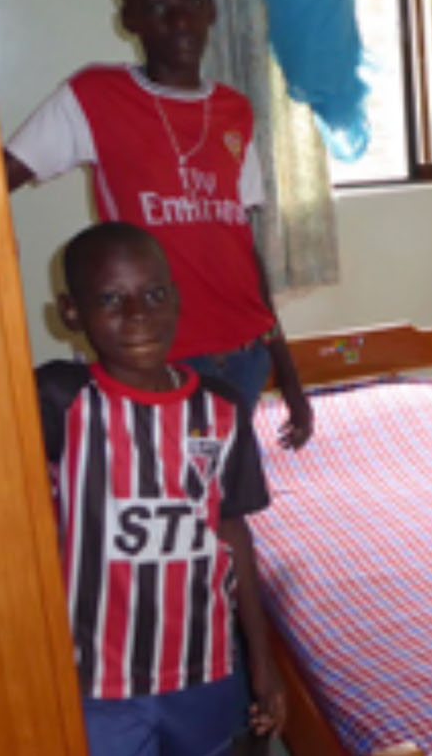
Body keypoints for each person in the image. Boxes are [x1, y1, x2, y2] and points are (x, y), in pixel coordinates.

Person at [5, 0, 312, 450]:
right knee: (170, 506)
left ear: (211, 8)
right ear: (130, 20)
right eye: (157, 8)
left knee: (220, 501)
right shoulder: (95, 97)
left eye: (192, 2)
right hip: (161, 356)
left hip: (244, 353)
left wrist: (287, 369)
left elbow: (242, 246)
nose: (180, 22)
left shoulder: (235, 111)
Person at [36, 222, 286, 754]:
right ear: (71, 313)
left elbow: (233, 533)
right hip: (98, 680)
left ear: (175, 299)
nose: (137, 315)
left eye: (153, 295)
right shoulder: (61, 401)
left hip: (205, 666)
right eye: (111, 299)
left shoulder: (220, 409)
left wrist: (262, 663)